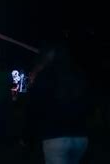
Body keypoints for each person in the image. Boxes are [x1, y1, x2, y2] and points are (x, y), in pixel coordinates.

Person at [25, 31, 92, 164]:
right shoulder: (77, 74)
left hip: (55, 136)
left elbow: (34, 105)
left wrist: (28, 135)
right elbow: (88, 103)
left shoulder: (46, 76)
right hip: (80, 136)